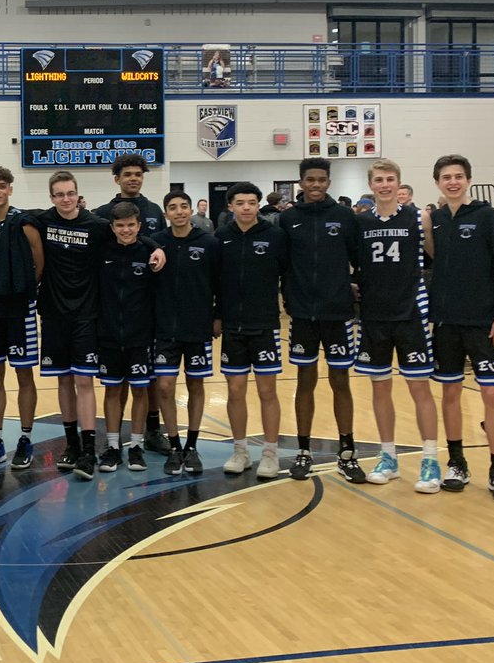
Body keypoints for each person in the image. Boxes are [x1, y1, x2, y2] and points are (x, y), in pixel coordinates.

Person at [25, 171, 164, 479]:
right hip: (53, 313)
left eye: (70, 193)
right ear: (51, 198)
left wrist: (155, 245)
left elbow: (129, 235)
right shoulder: (42, 221)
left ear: (78, 195)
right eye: (59, 194)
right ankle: (72, 445)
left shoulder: (96, 225)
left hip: (87, 314)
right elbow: (12, 217)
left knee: (85, 382)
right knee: (63, 382)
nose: (65, 199)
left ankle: (89, 450)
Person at [427, 155, 494, 502]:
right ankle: (457, 462)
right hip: (446, 323)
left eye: (458, 176)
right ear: (437, 182)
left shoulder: (487, 216)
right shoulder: (435, 220)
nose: (452, 182)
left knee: (492, 395)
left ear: (468, 180)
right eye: (446, 177)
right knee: (450, 393)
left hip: (484, 323)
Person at [354, 160, 441, 493]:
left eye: (390, 179)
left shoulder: (419, 218)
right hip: (374, 315)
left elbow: (438, 258)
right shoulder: (360, 222)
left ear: (399, 183)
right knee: (380, 388)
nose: (385, 185)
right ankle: (388, 457)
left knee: (420, 388)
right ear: (371, 185)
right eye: (379, 180)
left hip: (411, 312)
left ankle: (430, 460)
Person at [278, 158, 363, 482]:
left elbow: (358, 258)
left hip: (337, 312)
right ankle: (303, 451)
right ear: (301, 182)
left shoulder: (344, 217)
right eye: (310, 179)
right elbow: (282, 264)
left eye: (322, 180)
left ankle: (347, 452)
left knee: (341, 381)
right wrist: (290, 298)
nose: (316, 185)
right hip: (302, 313)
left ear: (329, 182)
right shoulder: (288, 219)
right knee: (305, 381)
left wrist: (351, 286)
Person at [92, 153, 168, 453]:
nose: (134, 178)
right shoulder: (102, 213)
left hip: (145, 306)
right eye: (128, 174)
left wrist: (154, 246)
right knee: (116, 384)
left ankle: (151, 430)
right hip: (113, 308)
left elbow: (159, 245)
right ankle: (115, 437)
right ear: (117, 179)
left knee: (147, 380)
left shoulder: (153, 210)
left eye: (138, 174)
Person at [217, 182, 287, 479]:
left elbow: (288, 273)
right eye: (240, 203)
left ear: (259, 205)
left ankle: (270, 453)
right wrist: (217, 316)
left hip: (265, 324)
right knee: (235, 390)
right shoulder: (220, 237)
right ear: (230, 206)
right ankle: (240, 451)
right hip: (233, 325)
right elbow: (214, 280)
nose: (246, 207)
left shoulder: (275, 236)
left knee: (267, 391)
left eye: (251, 202)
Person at [0, 166, 43, 469]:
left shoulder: (23, 222)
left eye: (2, 186)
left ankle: (26, 438)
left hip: (19, 309)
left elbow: (38, 260)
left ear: (10, 190)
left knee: (24, 375)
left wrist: (25, 290)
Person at [150, 191, 220, 476]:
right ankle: (174, 446)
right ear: (166, 213)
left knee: (196, 385)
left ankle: (191, 446)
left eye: (183, 206)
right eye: (172, 207)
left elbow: (220, 283)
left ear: (191, 210)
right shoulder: (156, 243)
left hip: (197, 326)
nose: (179, 211)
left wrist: (217, 316)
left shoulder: (209, 243)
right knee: (165, 387)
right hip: (165, 327)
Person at [96, 202, 160, 474]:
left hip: (140, 335)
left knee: (139, 390)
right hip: (108, 334)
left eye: (131, 225)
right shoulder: (102, 251)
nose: (126, 230)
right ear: (112, 227)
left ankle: (136, 445)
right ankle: (113, 446)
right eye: (120, 226)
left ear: (139, 226)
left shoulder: (149, 253)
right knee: (112, 390)